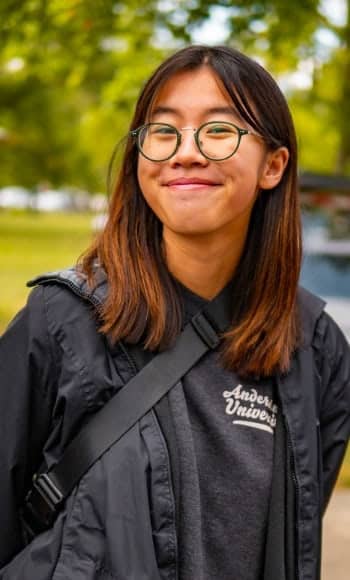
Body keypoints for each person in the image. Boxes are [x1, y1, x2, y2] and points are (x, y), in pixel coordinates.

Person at [0, 44, 349, 580]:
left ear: (274, 166)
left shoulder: (315, 348)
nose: (185, 152)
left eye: (218, 129)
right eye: (163, 132)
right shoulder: (61, 322)